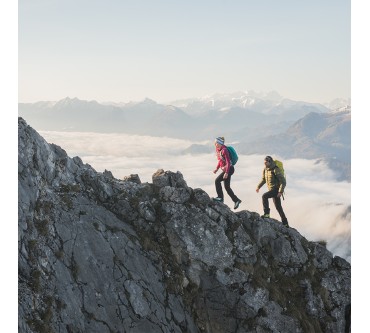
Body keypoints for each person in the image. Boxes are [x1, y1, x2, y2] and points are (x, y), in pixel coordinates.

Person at [256, 155, 289, 227]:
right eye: (264, 163)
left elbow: (283, 181)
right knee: (278, 207)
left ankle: (266, 214)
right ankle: (285, 223)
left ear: (270, 162)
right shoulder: (265, 169)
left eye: (266, 163)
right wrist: (258, 187)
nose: (265, 164)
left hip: (276, 190)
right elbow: (264, 179)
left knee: (264, 196)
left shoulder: (275, 169)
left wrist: (280, 192)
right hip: (272, 190)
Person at [213, 137, 242, 210]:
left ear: (219, 143)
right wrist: (216, 169)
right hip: (227, 170)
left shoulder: (224, 150)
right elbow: (220, 161)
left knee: (217, 181)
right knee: (227, 187)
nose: (215, 144)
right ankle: (236, 200)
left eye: (216, 143)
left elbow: (228, 162)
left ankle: (220, 198)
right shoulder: (218, 150)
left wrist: (226, 172)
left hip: (229, 169)